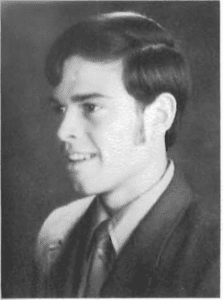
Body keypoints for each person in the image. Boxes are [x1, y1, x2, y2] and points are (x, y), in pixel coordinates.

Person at [33, 11, 220, 297]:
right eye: (60, 109)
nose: (62, 132)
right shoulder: (56, 232)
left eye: (91, 107)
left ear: (159, 116)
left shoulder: (213, 255)